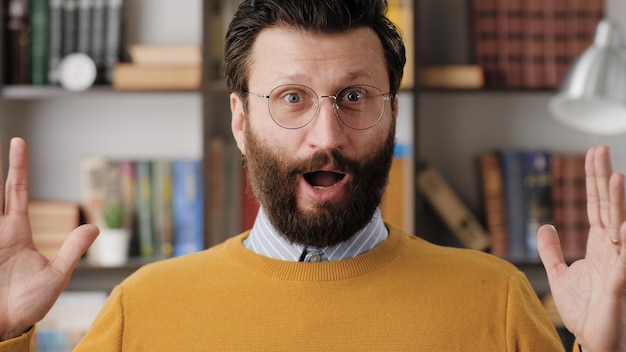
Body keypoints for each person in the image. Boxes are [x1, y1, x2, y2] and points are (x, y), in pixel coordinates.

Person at [0, 0, 625, 350]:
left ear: (392, 115)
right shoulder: (145, 307)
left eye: (354, 97)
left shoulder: (497, 298)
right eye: (292, 98)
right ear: (240, 120)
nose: (326, 137)